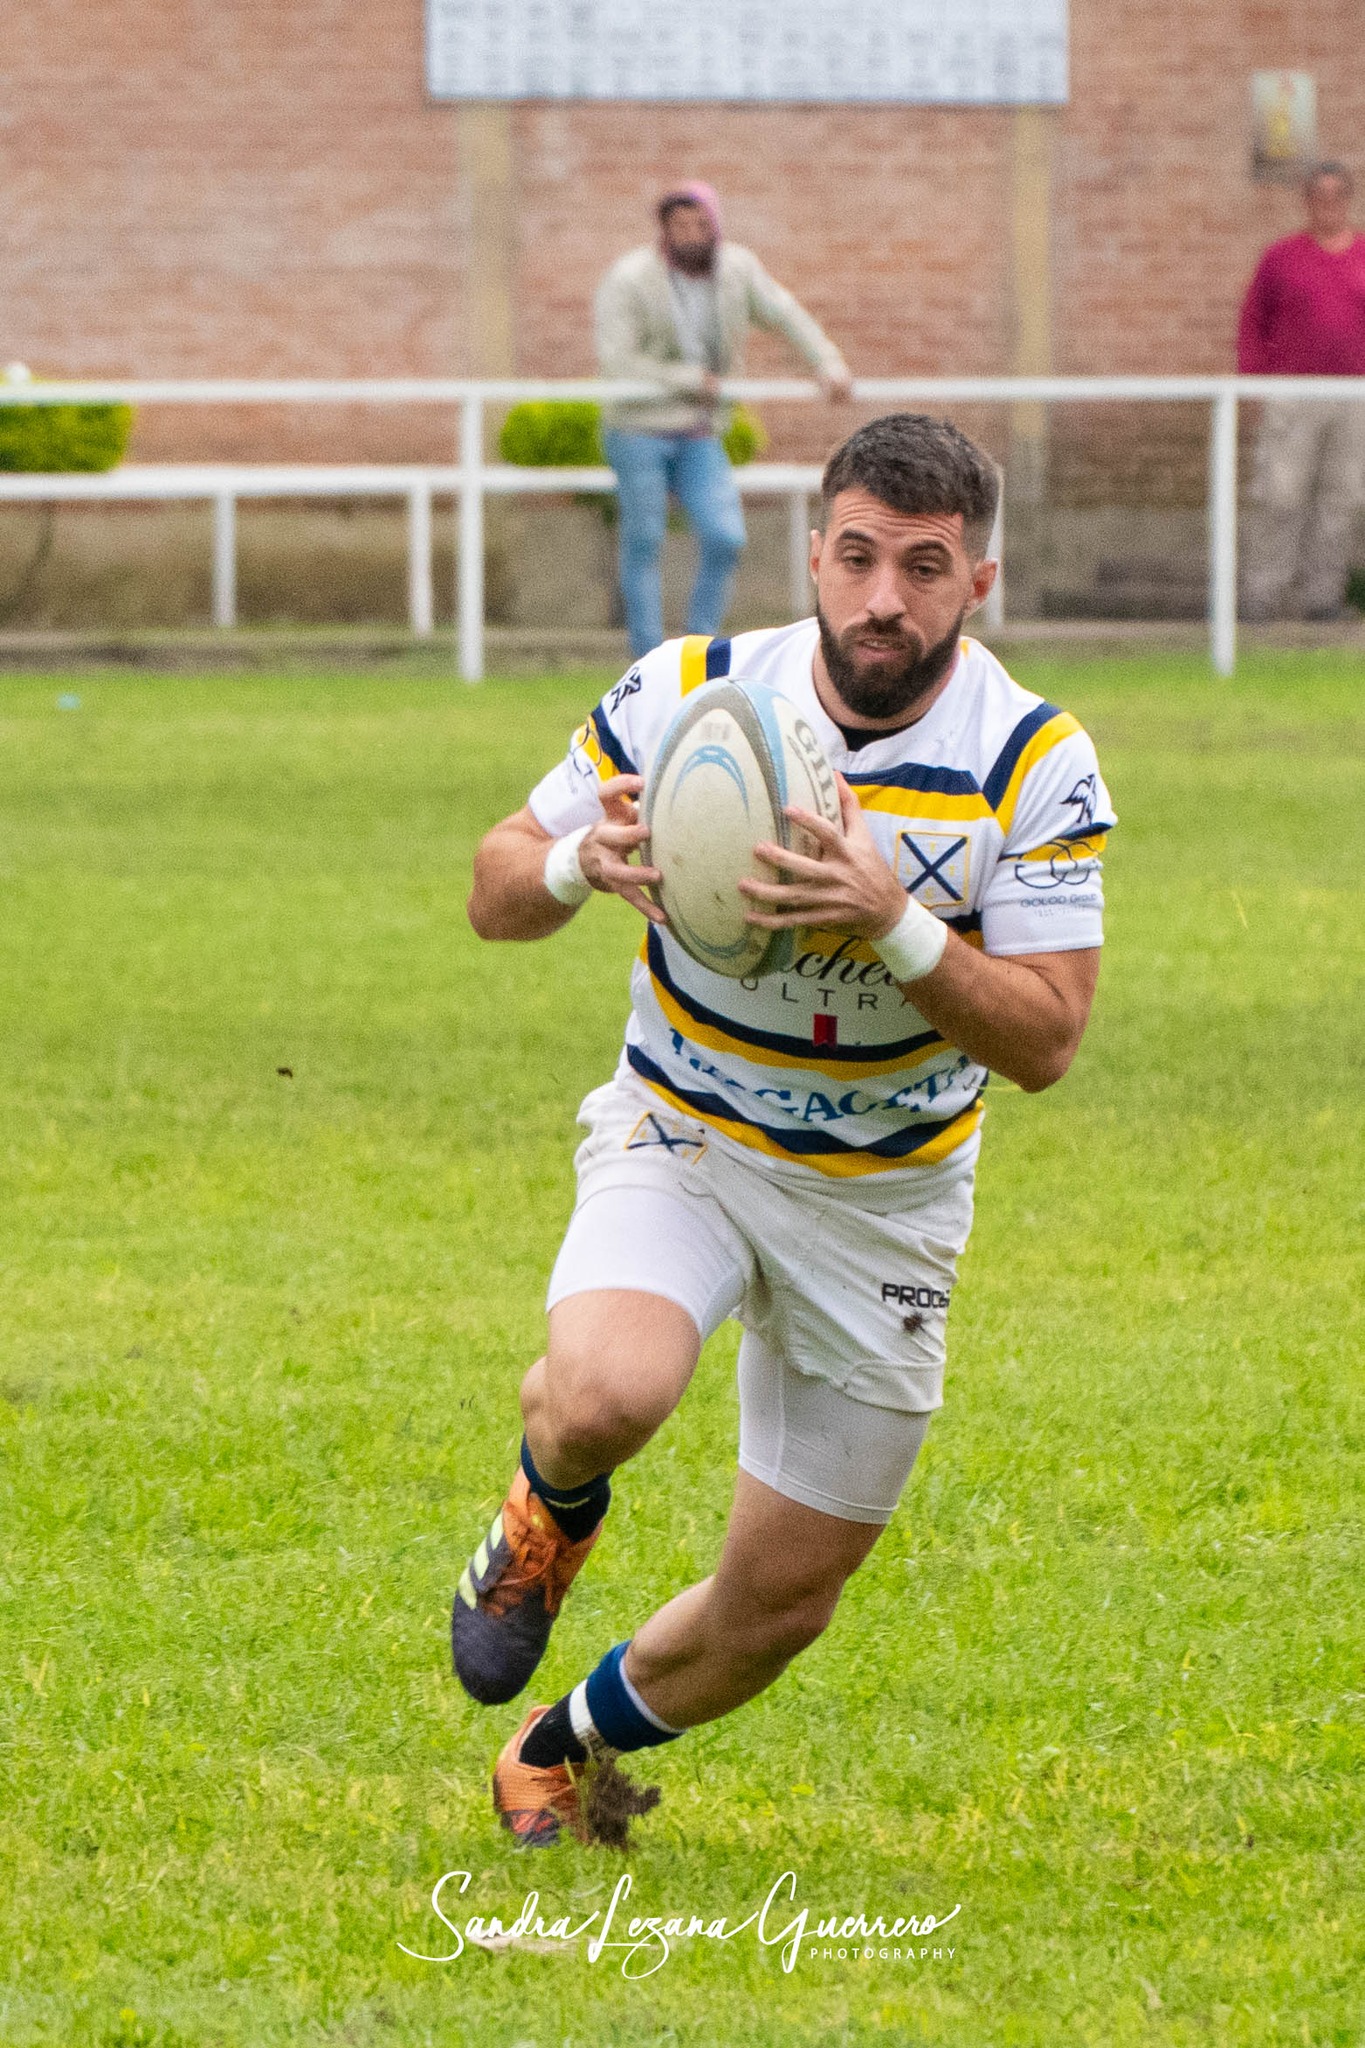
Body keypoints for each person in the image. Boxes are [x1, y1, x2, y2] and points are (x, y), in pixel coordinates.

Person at [454, 412, 1116, 1849]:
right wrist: (578, 860)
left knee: (780, 1604)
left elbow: (1048, 1040)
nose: (884, 598)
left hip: (885, 1201)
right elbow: (494, 884)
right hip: (686, 1129)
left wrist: (893, 921)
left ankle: (557, 1748)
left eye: (924, 568)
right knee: (606, 1390)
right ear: (812, 554)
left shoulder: (1031, 759)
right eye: (858, 557)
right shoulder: (687, 692)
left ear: (978, 582)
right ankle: (547, 1510)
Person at [594, 180, 852, 660]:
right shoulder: (630, 278)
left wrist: (826, 363)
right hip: (638, 428)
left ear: (715, 225)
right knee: (644, 540)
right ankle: (648, 660)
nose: (690, 234)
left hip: (699, 430)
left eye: (700, 224)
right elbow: (618, 360)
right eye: (679, 225)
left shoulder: (737, 269)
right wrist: (689, 379)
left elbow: (786, 316)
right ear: (663, 230)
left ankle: (697, 651)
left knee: (724, 536)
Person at [1238, 160, 1365, 621]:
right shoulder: (1281, 258)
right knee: (1280, 495)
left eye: (1336, 196)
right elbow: (1253, 323)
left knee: (1342, 499)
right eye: (1318, 196)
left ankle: (1323, 597)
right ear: (1307, 201)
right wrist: (1251, 387)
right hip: (1291, 395)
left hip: (1355, 398)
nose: (1327, 205)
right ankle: (1262, 594)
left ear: (1348, 200)